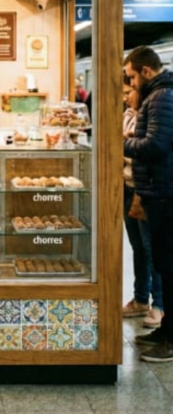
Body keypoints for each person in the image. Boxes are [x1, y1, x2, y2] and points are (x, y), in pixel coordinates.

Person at [124, 45, 173, 362]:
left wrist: (121, 142)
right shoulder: (156, 96)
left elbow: (156, 145)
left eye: (131, 77)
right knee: (164, 263)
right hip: (158, 191)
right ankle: (165, 331)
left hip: (164, 193)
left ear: (145, 71)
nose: (130, 84)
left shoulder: (161, 97)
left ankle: (170, 339)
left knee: (167, 264)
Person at [122, 75, 163, 328]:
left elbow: (146, 149)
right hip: (127, 186)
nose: (126, 97)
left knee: (152, 249)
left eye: (130, 91)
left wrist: (126, 143)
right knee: (137, 247)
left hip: (144, 190)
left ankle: (159, 305)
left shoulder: (150, 115)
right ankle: (140, 298)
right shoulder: (127, 115)